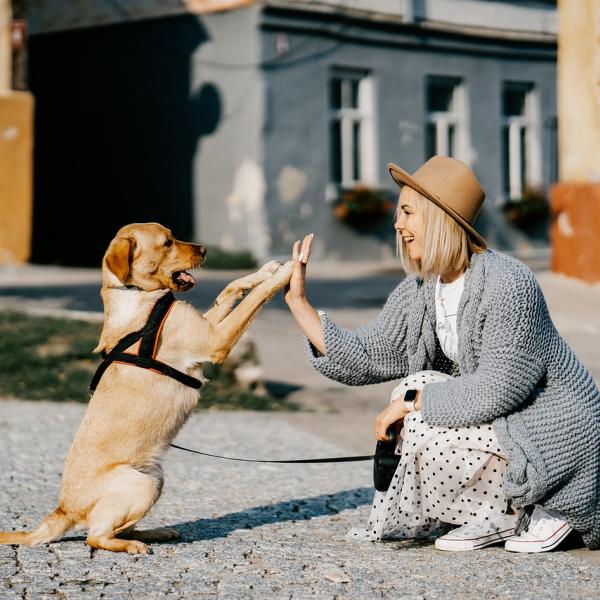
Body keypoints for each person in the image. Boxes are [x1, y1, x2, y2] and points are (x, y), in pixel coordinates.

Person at [284, 156, 600, 552]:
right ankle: (494, 512)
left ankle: (541, 504)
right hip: (505, 424)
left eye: (408, 212)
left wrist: (413, 404)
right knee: (415, 387)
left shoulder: (508, 282)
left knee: (416, 395)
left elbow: (499, 387)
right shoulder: (423, 289)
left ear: (437, 217)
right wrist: (299, 304)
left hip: (555, 433)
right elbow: (367, 355)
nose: (398, 225)